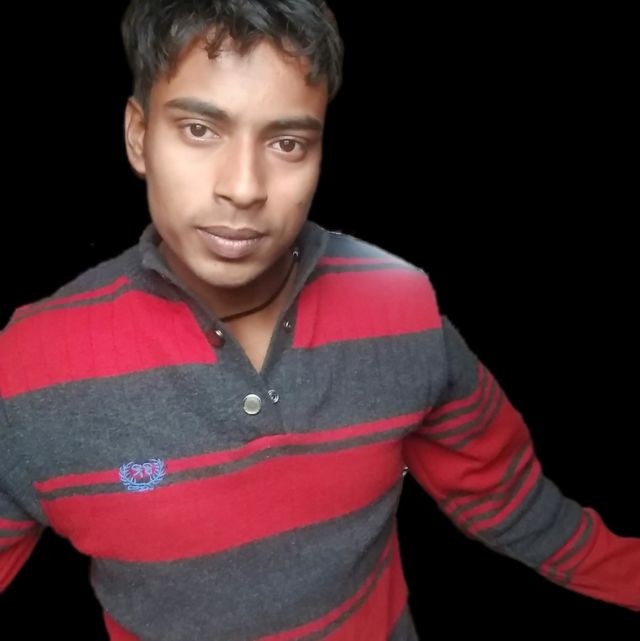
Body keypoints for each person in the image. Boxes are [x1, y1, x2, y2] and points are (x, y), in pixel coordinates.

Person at [0, 1, 638, 639]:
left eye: (286, 143)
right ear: (139, 137)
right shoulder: (28, 367)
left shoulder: (400, 304)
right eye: (199, 129)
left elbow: (508, 498)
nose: (243, 187)